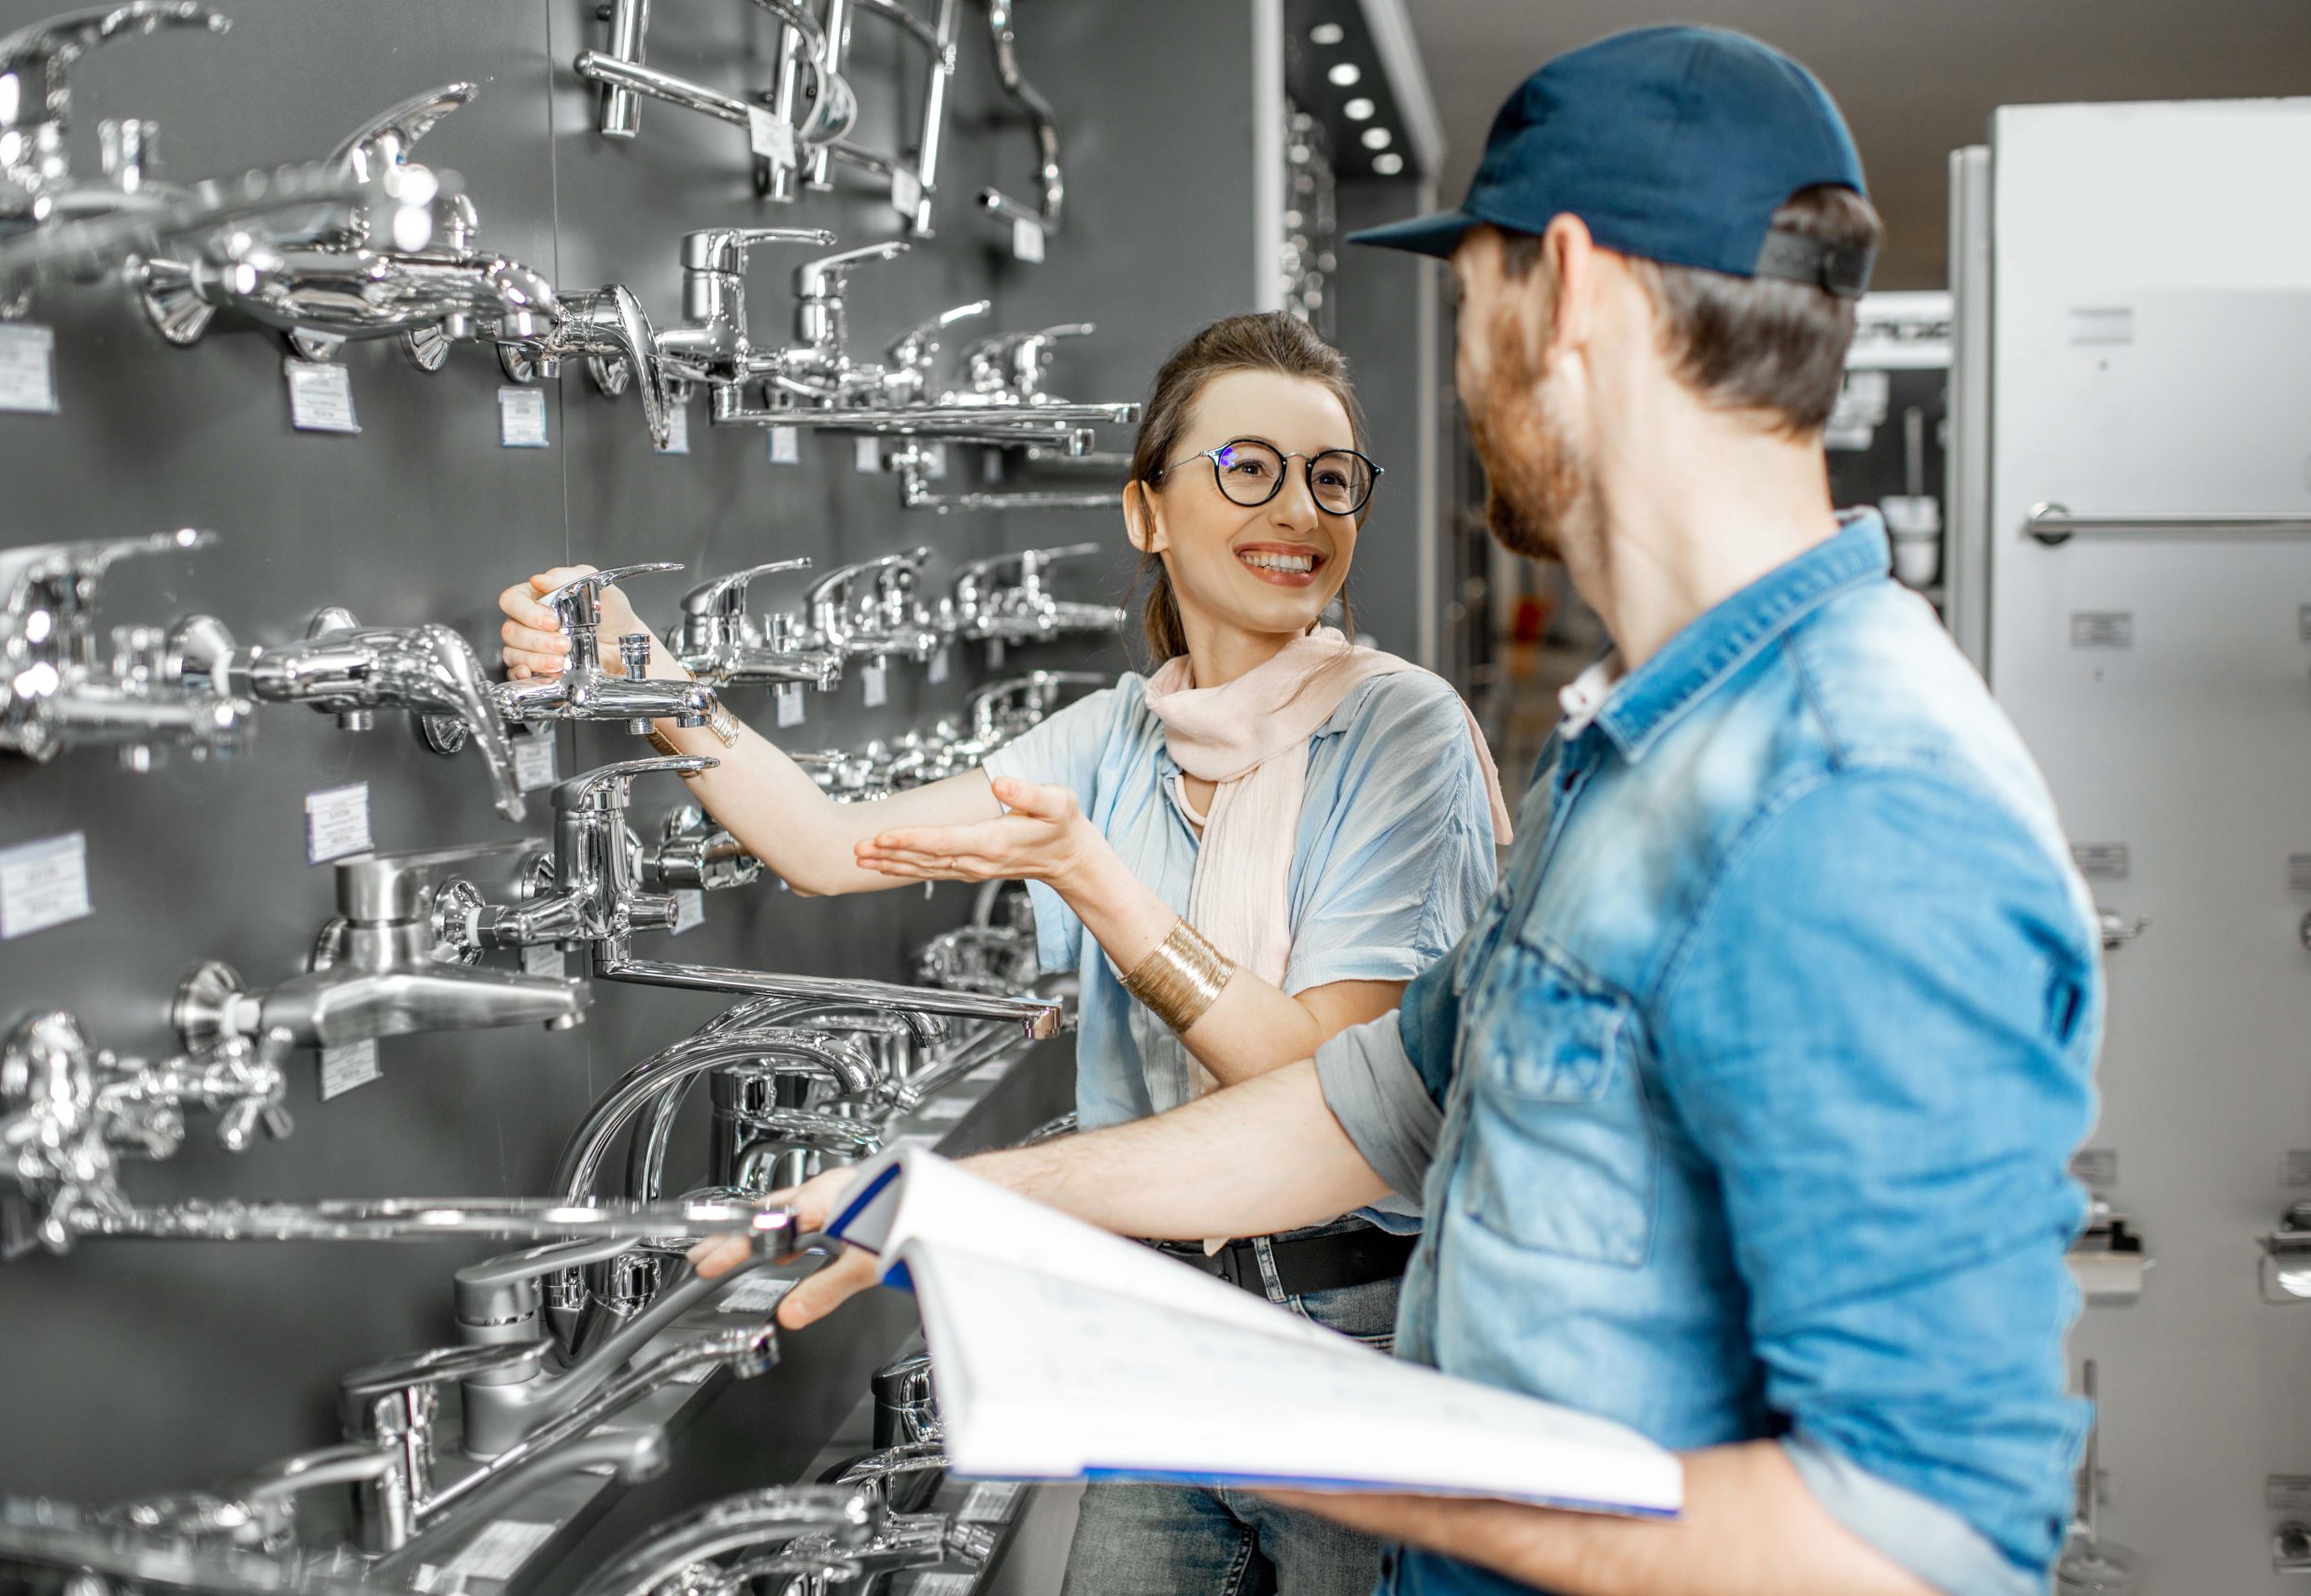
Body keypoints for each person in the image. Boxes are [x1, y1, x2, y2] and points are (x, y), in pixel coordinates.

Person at [697, 26, 2102, 1596]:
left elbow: (1923, 1549)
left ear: (1560, 288)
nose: (1457, 360)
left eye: (1468, 297)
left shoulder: (1849, 801)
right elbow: (1370, 1102)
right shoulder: (1637, 758)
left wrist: (1293, 1422)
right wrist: (961, 1206)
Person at [496, 311, 1508, 1596]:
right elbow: (827, 843)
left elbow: (1317, 1081)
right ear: (1147, 511)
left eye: (1328, 477)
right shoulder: (1114, 732)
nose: (1296, 511)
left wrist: (1097, 879)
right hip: (1161, 1324)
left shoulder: (1399, 732)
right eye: (1247, 467)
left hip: (1358, 1331)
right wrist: (655, 686)